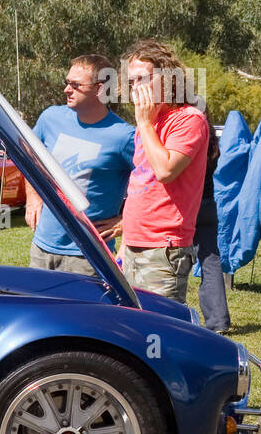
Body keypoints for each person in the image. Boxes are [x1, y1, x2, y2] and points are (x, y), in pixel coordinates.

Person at [25, 54, 134, 274]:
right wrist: (32, 198)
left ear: (100, 89)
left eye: (76, 85)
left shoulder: (124, 136)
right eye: (67, 83)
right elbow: (29, 158)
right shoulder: (50, 118)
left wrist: (126, 222)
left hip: (89, 257)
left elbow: (151, 184)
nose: (67, 90)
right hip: (42, 248)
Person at [120, 39, 211, 302]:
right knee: (131, 330)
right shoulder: (147, 122)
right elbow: (140, 181)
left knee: (159, 332)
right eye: (131, 82)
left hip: (164, 248)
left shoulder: (189, 119)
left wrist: (145, 125)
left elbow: (165, 171)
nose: (136, 88)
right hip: (134, 245)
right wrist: (126, 241)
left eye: (143, 79)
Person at [194, 125, 230, 332]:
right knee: (210, 261)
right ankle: (218, 320)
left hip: (187, 206)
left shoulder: (186, 136)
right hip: (208, 205)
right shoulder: (213, 145)